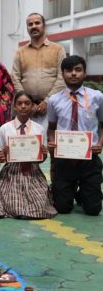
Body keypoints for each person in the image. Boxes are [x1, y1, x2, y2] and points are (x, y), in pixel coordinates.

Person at [47, 55, 103, 216]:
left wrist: (100, 143)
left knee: (93, 210)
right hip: (65, 160)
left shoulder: (97, 97)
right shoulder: (54, 100)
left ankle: (84, 192)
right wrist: (51, 141)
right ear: (63, 74)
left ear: (84, 73)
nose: (73, 74)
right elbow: (51, 128)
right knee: (63, 208)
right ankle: (75, 190)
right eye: (69, 70)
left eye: (78, 70)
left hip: (90, 158)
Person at [0, 91, 57, 219]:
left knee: (40, 204)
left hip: (33, 171)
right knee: (12, 203)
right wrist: (3, 155)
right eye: (19, 103)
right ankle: (20, 210)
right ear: (14, 107)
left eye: (27, 103)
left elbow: (41, 159)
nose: (23, 106)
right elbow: (0, 158)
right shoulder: (5, 128)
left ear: (32, 106)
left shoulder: (39, 129)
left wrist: (44, 154)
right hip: (12, 173)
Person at [11, 13, 66, 129]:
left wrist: (47, 101)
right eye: (30, 24)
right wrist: (26, 102)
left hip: (52, 107)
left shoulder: (57, 49)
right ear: (27, 28)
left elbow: (62, 77)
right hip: (26, 110)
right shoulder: (20, 52)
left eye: (37, 23)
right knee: (26, 143)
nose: (34, 26)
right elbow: (15, 77)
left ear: (44, 26)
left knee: (50, 142)